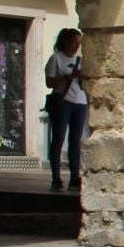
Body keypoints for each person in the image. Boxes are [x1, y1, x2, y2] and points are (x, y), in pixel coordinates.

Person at [45, 27, 88, 192]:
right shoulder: (56, 59)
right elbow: (49, 83)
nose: (77, 46)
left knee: (75, 140)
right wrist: (68, 77)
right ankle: (56, 177)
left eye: (79, 43)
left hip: (80, 101)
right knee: (58, 138)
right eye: (74, 42)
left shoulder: (81, 60)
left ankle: (74, 177)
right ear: (65, 41)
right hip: (62, 101)